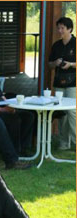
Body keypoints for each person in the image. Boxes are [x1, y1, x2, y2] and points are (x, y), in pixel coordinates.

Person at [0, 53, 35, 159]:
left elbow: (2, 96)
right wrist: (4, 110)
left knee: (29, 116)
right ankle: (14, 151)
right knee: (15, 119)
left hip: (2, 108)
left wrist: (12, 104)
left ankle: (23, 148)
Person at [49, 17, 76, 150]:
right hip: (59, 83)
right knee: (62, 113)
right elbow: (49, 64)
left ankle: (75, 142)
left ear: (70, 29)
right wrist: (56, 63)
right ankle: (64, 143)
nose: (59, 31)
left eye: (62, 28)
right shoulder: (56, 45)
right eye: (58, 28)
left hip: (73, 84)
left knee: (72, 112)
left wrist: (70, 64)